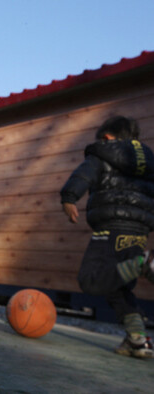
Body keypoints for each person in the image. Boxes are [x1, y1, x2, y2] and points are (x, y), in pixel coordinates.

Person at [60, 115, 154, 358]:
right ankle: (137, 340)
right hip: (139, 233)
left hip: (110, 229)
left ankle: (144, 264)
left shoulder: (102, 154)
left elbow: (84, 175)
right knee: (118, 286)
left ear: (107, 138)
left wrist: (69, 197)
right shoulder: (149, 163)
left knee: (90, 279)